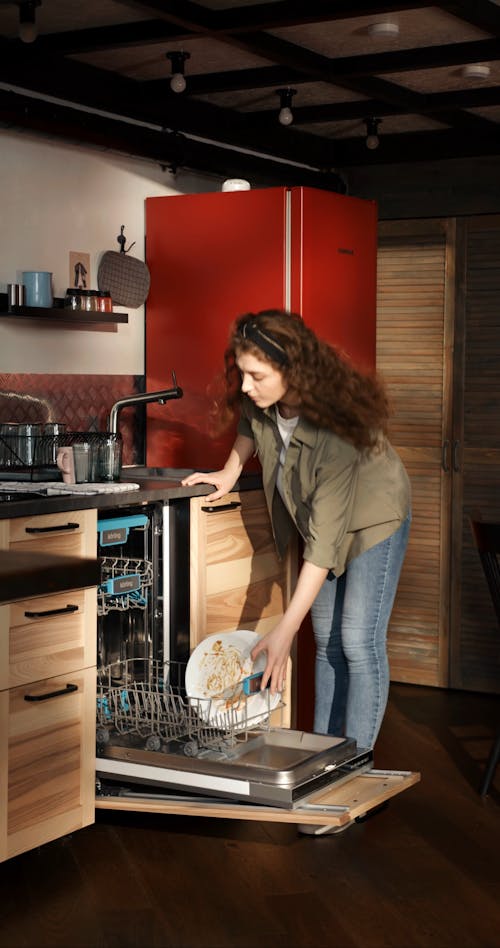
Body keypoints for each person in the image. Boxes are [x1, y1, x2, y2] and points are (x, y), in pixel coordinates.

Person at [182, 309, 411, 757]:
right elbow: (249, 422)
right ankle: (322, 757)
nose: (246, 386)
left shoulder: (336, 425)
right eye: (243, 373)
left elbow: (324, 547)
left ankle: (352, 768)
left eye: (257, 376)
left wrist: (284, 631)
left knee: (358, 641)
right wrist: (230, 470)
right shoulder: (263, 398)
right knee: (326, 641)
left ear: (293, 371)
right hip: (321, 522)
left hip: (373, 518)